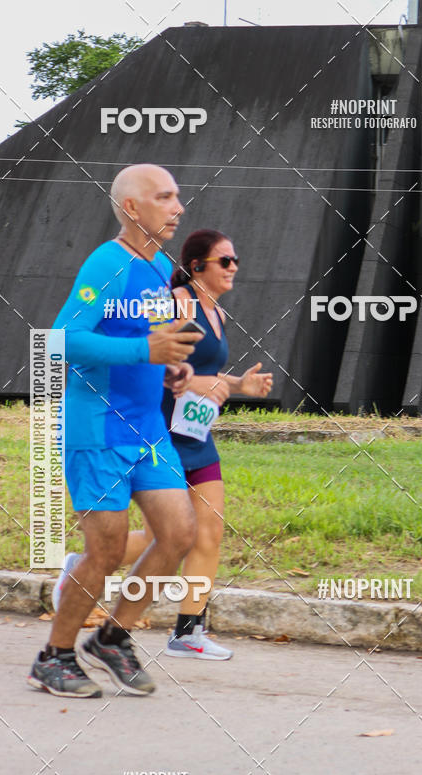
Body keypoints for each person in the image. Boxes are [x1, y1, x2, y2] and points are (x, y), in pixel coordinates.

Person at [29, 164, 203, 699]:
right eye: (164, 197)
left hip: (147, 429)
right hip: (98, 429)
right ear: (132, 208)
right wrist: (142, 351)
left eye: (177, 197)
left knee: (178, 534)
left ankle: (112, 638)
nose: (177, 207)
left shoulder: (156, 269)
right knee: (104, 550)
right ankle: (54, 656)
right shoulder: (107, 263)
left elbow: (141, 341)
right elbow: (60, 339)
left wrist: (166, 366)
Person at [121, 229, 273, 659]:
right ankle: (88, 561)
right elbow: (152, 361)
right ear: (196, 266)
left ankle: (189, 632)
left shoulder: (217, 314)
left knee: (209, 532)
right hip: (162, 432)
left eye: (235, 260)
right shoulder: (178, 302)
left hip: (197, 434)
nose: (233, 268)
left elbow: (207, 377)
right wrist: (199, 382)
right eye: (224, 261)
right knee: (165, 536)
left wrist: (240, 383)